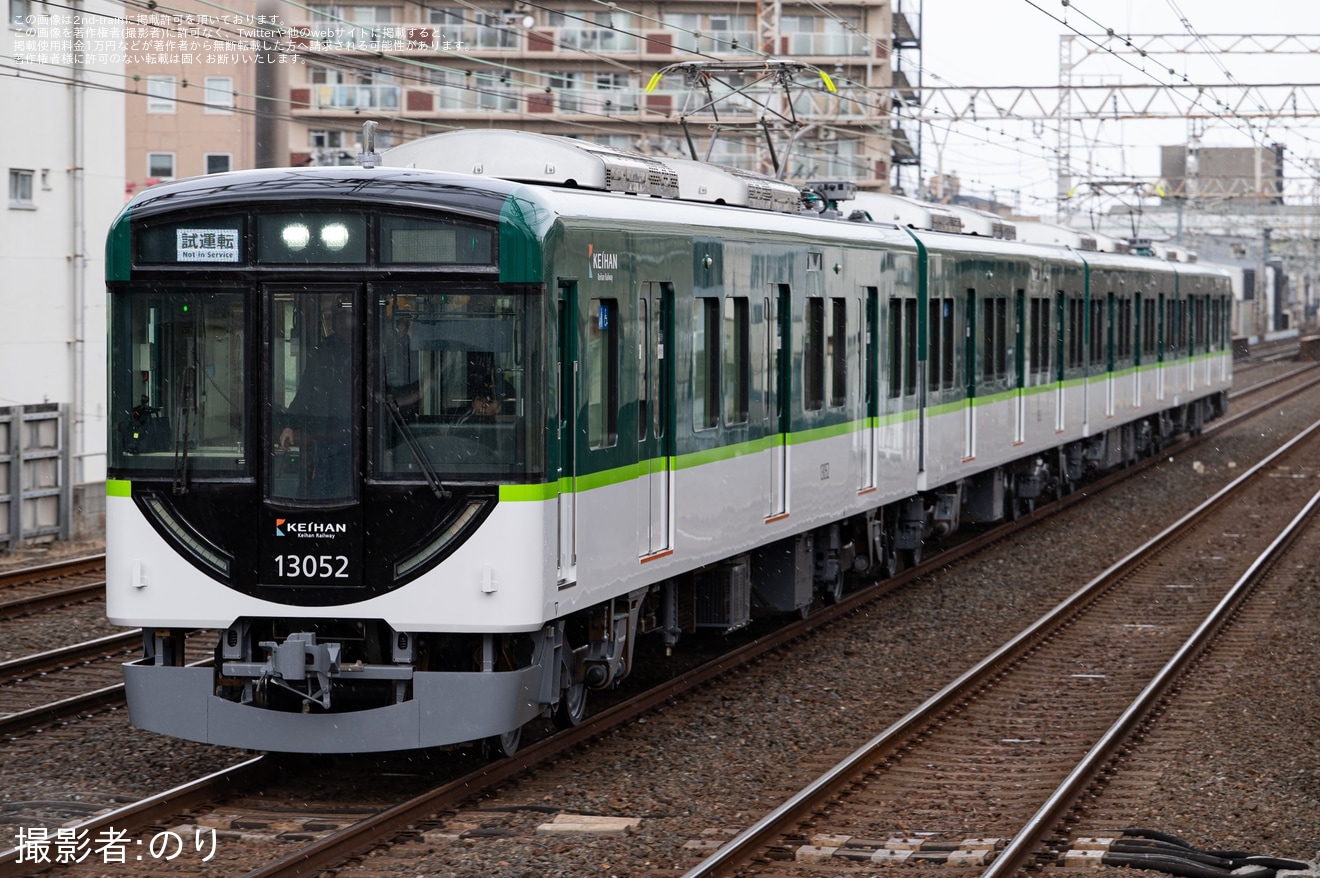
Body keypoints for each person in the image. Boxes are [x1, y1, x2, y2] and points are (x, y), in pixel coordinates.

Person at [278, 300, 355, 499]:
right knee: (322, 492)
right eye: (337, 319)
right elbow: (305, 391)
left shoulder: (368, 347)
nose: (342, 324)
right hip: (325, 436)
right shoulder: (323, 351)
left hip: (356, 436)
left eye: (347, 318)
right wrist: (289, 425)